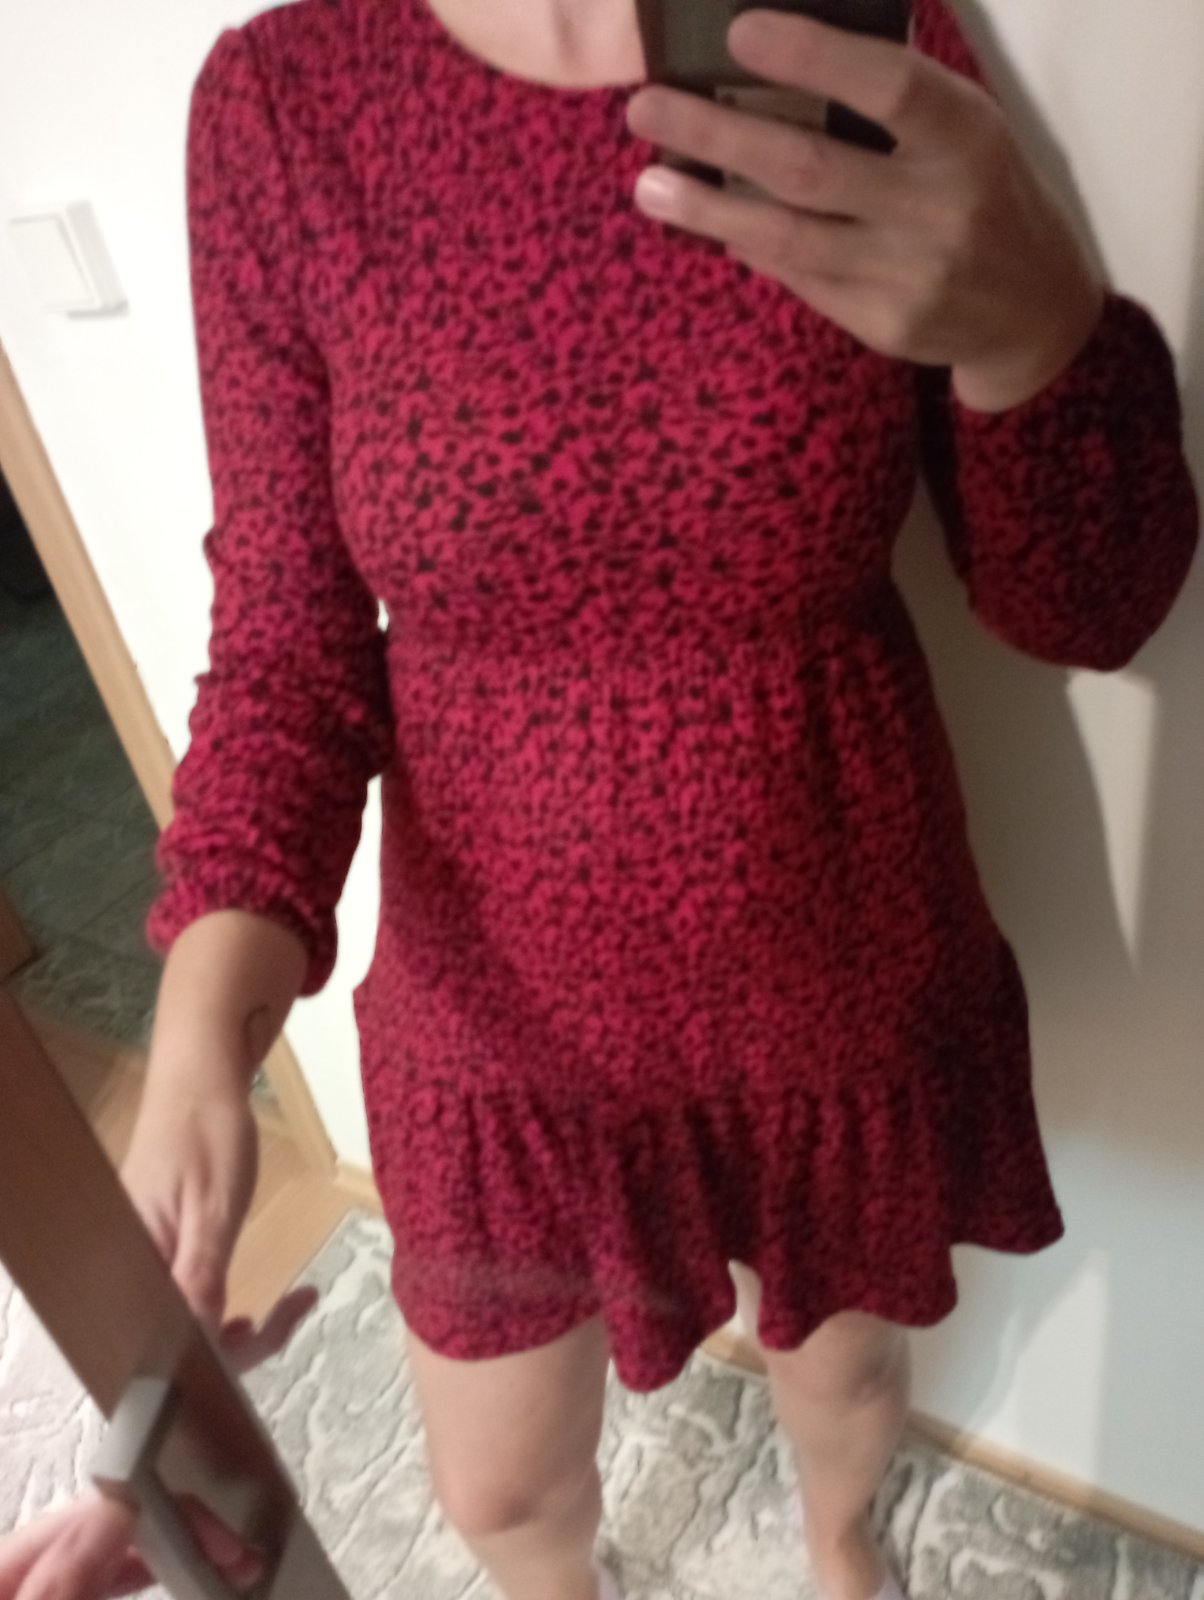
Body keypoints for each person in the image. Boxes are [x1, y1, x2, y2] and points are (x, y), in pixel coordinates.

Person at [4, 1, 1198, 1599]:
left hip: (836, 963)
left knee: (847, 1383)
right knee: (499, 1489)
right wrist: (203, 1043)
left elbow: (1091, 609)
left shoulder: (853, 39)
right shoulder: (288, 104)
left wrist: (1041, 326)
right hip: (498, 1023)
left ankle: (850, 1559)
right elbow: (289, 648)